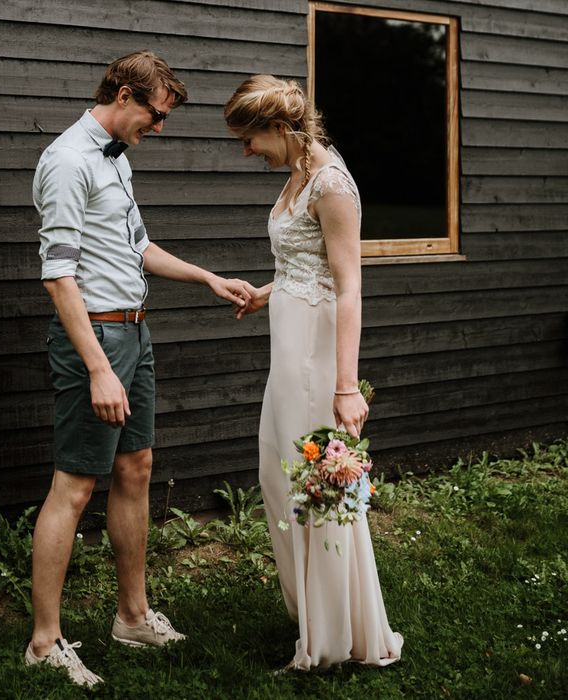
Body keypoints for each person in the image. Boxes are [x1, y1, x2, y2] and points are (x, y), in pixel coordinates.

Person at [26, 51, 252, 688]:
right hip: (92, 339)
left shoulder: (116, 161)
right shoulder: (69, 160)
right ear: (124, 95)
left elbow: (138, 247)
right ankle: (45, 642)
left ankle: (131, 617)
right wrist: (99, 368)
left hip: (134, 331)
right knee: (74, 485)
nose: (158, 128)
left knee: (136, 466)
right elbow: (59, 275)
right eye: (155, 115)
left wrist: (208, 277)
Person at [224, 75, 403, 669]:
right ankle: (313, 615)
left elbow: (349, 288)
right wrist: (267, 293)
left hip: (317, 355)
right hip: (287, 348)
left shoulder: (332, 185)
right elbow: (308, 267)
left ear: (280, 129)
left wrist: (346, 386)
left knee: (317, 482)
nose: (247, 151)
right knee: (279, 476)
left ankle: (334, 638)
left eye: (251, 140)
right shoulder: (295, 174)